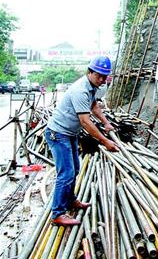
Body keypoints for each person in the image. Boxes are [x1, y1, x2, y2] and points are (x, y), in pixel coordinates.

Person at [45, 56, 119, 226]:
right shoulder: (80, 90)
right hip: (58, 133)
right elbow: (85, 121)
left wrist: (106, 123)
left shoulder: (92, 86)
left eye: (105, 76)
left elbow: (94, 107)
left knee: (75, 169)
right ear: (90, 72)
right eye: (99, 75)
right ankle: (57, 213)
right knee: (66, 174)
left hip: (69, 133)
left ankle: (70, 200)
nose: (102, 80)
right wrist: (105, 141)